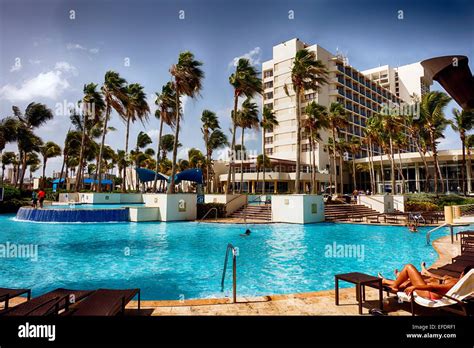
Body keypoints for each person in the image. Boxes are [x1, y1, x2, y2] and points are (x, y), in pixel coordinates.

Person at [379, 264, 473, 300]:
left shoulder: (455, 283)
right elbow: (442, 279)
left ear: (462, 273)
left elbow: (434, 287)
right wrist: (427, 274)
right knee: (409, 282)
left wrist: (415, 287)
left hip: (429, 293)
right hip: (430, 290)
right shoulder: (463, 282)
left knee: (409, 267)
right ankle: (386, 280)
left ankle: (394, 284)